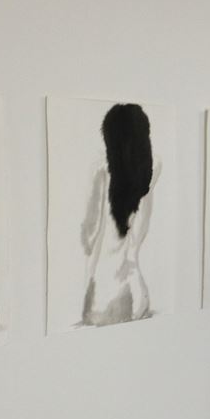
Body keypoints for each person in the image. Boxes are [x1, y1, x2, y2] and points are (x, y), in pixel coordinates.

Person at [80, 103, 159, 326]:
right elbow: (142, 227)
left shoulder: (101, 172)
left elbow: (89, 234)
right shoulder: (150, 172)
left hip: (105, 295)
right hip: (137, 289)